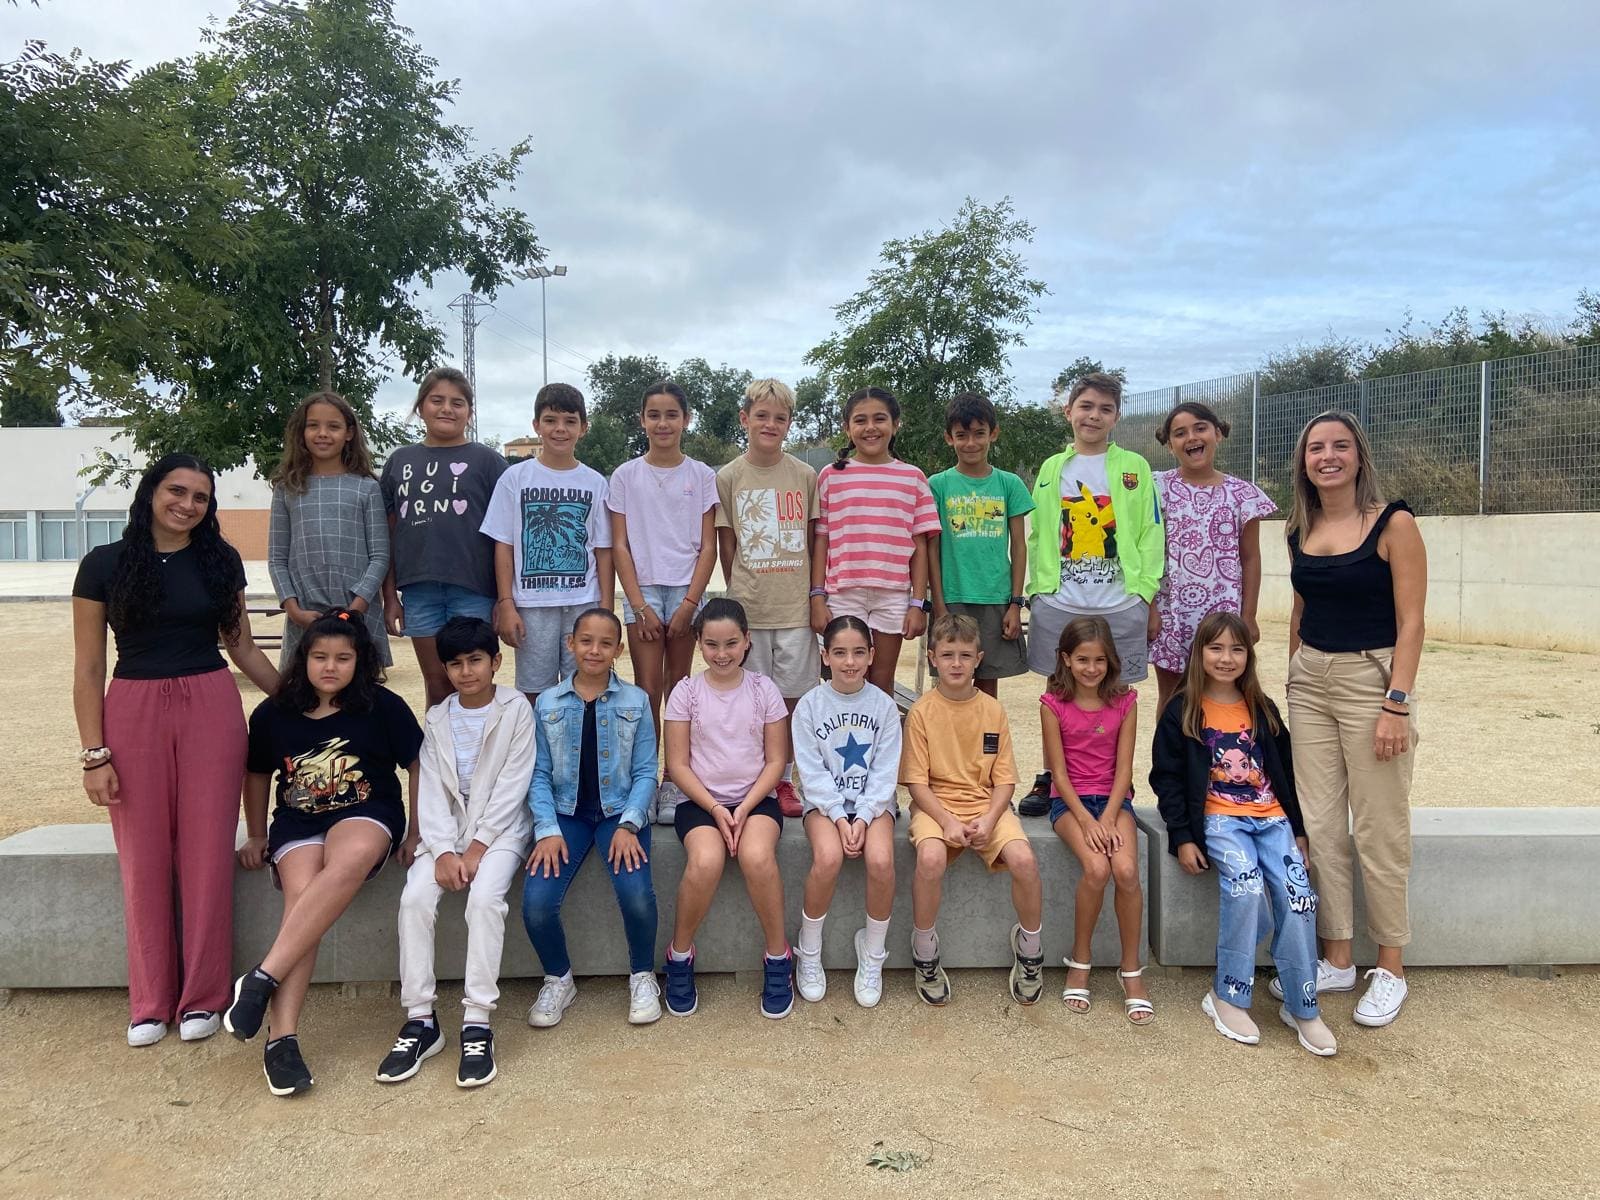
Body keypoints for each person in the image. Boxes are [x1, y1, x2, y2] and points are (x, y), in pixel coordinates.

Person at [72, 454, 280, 1048]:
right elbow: (87, 668)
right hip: (131, 708)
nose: (187, 505)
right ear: (151, 492)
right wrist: (94, 754)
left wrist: (298, 699)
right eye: (177, 491)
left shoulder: (219, 559)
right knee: (141, 856)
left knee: (207, 854)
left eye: (200, 497)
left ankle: (203, 997)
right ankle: (150, 1000)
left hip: (210, 705)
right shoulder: (103, 564)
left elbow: (241, 646)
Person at [225, 609, 423, 1097]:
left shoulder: (382, 706)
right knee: (302, 897)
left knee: (351, 857)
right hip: (298, 821)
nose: (330, 667)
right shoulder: (274, 712)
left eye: (342, 658)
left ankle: (261, 978)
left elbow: (419, 764)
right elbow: (257, 773)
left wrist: (418, 831)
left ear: (361, 661)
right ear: (303, 659)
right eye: (319, 657)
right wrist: (256, 834)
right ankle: (282, 1040)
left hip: (366, 811)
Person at [1285, 411, 1426, 1028]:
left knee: (1379, 826)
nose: (1328, 456)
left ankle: (1390, 966)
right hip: (1311, 680)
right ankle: (1337, 956)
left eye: (1340, 445)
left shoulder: (1394, 523)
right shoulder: (1300, 527)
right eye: (1317, 447)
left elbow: (1413, 621)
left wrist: (1396, 702)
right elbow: (1299, 610)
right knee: (1320, 824)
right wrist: (1292, 674)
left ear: (1359, 455)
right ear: (1304, 460)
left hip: (1373, 680)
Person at [1150, 612, 1335, 1055]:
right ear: (1198, 653)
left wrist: (1298, 829)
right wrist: (1182, 836)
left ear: (1249, 656)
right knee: (1247, 890)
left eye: (1237, 649)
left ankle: (1302, 1004)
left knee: (1298, 895)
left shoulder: (1261, 707)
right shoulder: (1182, 709)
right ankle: (1228, 995)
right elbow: (1167, 778)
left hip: (1272, 818)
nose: (1226, 658)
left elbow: (1285, 771)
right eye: (1215, 648)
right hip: (1219, 820)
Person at [378, 616, 535, 1089]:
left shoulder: (516, 710)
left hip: (501, 833)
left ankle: (477, 1022)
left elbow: (513, 784)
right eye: (456, 664)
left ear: (496, 662)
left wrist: (478, 848)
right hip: (446, 835)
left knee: (484, 900)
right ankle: (420, 1019)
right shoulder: (438, 717)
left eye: (475, 661)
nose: (466, 672)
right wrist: (445, 851)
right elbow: (431, 791)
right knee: (414, 899)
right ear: (444, 669)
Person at [521, 608, 662, 1028]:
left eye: (605, 643)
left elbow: (646, 771)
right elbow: (538, 774)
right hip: (566, 815)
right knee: (537, 903)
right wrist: (546, 829)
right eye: (586, 641)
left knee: (636, 896)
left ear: (619, 650)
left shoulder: (636, 700)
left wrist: (630, 824)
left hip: (619, 813)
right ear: (571, 644)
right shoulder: (547, 703)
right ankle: (559, 978)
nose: (594, 650)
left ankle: (642, 975)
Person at [660, 599, 792, 1018]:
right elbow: (678, 765)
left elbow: (776, 761)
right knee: (705, 860)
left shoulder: (764, 690)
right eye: (712, 644)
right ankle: (680, 954)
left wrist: (745, 807)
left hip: (757, 799)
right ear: (699, 643)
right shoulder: (685, 692)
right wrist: (717, 808)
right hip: (701, 801)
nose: (722, 654)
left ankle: (778, 957)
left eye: (731, 643)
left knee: (756, 856)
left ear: (747, 640)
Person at [902, 613, 1043, 1007]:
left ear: (979, 659)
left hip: (986, 805)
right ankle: (925, 948)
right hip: (936, 806)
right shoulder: (922, 712)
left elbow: (1005, 781)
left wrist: (990, 818)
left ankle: (1030, 946)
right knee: (931, 858)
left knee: (1024, 860)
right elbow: (917, 783)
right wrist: (946, 821)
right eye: (948, 655)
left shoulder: (992, 711)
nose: (956, 664)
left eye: (965, 655)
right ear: (932, 658)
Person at [714, 378, 821, 820]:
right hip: (751, 610)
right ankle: (754, 777)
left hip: (795, 609)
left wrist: (814, 595)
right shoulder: (729, 476)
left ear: (789, 423)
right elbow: (727, 544)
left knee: (792, 699)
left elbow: (814, 540)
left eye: (780, 417)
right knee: (752, 701)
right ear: (745, 419)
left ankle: (785, 777)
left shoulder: (805, 476)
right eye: (761, 415)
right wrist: (739, 597)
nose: (770, 424)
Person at [1039, 616, 1152, 1024]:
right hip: (1069, 804)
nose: (1091, 668)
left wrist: (1107, 816)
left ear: (1111, 661)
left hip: (1114, 802)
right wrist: (1089, 822)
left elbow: (1124, 771)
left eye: (1099, 660)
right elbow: (1059, 774)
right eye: (1083, 659)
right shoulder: (1052, 704)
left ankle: (1131, 969)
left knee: (1126, 870)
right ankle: (1080, 960)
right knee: (1097, 868)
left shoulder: (1125, 701)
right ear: (1066, 659)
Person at [1024, 371, 1164, 687]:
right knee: (1058, 693)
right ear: (1068, 411)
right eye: (1086, 406)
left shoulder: (1135, 466)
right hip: (1058, 603)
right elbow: (1038, 534)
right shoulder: (1051, 467)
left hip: (1121, 604)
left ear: (1116, 417)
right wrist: (1039, 591)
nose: (1094, 415)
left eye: (1105, 408)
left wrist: (1144, 594)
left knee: (1117, 695)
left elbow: (1151, 531)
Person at [791, 616, 902, 1008]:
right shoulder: (809, 706)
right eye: (839, 653)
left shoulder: (884, 707)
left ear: (872, 655)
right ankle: (809, 949)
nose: (849, 662)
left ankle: (872, 951)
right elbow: (811, 771)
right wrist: (839, 816)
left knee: (881, 859)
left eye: (858, 652)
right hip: (825, 804)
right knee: (828, 857)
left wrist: (866, 815)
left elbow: (885, 771)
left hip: (874, 802)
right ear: (825, 656)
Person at [380, 367, 508, 707]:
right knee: (437, 684)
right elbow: (388, 533)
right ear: (421, 407)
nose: (447, 409)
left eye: (458, 402)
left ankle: (481, 743)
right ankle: (437, 744)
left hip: (475, 591)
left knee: (473, 683)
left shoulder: (489, 462)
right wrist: (389, 596)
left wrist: (504, 598)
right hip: (419, 591)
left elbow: (506, 537)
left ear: (470, 412)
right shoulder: (400, 461)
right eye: (437, 400)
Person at [481, 382, 614, 705]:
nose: (560, 429)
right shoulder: (514, 479)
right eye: (551, 420)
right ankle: (537, 741)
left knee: (586, 684)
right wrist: (506, 602)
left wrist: (606, 608)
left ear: (583, 427)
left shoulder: (595, 483)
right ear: (536, 425)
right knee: (534, 689)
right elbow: (504, 545)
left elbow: (603, 550)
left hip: (583, 602)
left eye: (570, 421)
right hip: (531, 605)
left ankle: (581, 739)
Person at [812, 386, 941, 698]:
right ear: (847, 428)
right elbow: (822, 540)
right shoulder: (830, 476)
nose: (870, 427)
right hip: (844, 593)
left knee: (882, 681)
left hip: (892, 595)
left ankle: (880, 732)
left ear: (896, 424)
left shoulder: (913, 478)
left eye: (880, 419)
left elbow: (920, 547)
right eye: (860, 420)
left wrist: (917, 604)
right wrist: (816, 596)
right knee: (846, 679)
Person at [1148, 400, 1276, 713]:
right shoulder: (1155, 489)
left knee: (1223, 695)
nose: (1191, 437)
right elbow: (1142, 552)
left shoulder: (1243, 494)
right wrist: (1150, 608)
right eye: (1180, 433)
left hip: (1223, 616)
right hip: (1172, 616)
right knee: (1173, 698)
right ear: (1170, 445)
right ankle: (1170, 748)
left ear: (1217, 433)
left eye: (1200, 428)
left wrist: (1249, 616)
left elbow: (1250, 558)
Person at [607, 378, 718, 734]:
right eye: (654, 415)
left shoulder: (702, 475)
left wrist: (690, 604)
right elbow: (619, 545)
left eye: (672, 415)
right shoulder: (625, 476)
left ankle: (676, 766)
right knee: (647, 689)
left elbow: (709, 546)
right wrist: (639, 606)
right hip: (643, 593)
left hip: (687, 590)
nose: (663, 423)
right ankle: (646, 767)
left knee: (679, 687)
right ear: (642, 419)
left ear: (686, 419)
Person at [269, 390, 391, 669]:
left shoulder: (367, 487)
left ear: (349, 433)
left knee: (358, 685)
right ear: (301, 432)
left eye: (333, 426)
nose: (322, 433)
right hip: (305, 614)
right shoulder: (287, 489)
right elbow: (277, 558)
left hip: (357, 613)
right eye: (313, 425)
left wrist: (356, 608)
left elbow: (380, 556)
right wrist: (293, 608)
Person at [928, 391, 1035, 698]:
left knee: (987, 684)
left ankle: (986, 732)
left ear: (993, 433)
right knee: (951, 682)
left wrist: (1015, 603)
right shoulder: (937, 485)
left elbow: (1019, 547)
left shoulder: (1009, 484)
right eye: (962, 435)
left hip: (995, 599)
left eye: (979, 433)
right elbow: (931, 548)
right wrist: (938, 604)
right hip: (952, 599)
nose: (971, 443)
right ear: (949, 438)